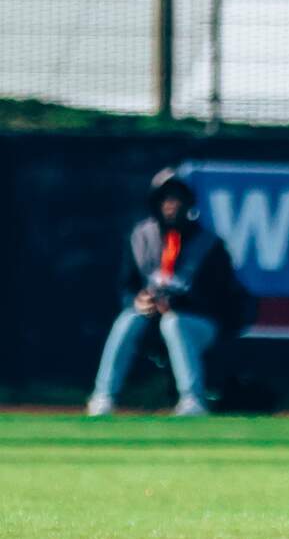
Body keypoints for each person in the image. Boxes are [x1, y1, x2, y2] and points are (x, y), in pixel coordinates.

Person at [86, 168, 252, 417]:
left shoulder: (209, 244)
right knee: (128, 319)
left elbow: (221, 299)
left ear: (189, 203)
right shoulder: (140, 237)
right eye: (165, 198)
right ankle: (103, 397)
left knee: (174, 324)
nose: (171, 205)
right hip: (151, 321)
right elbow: (127, 287)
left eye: (178, 198)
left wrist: (179, 303)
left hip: (197, 324)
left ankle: (192, 400)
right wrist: (138, 300)